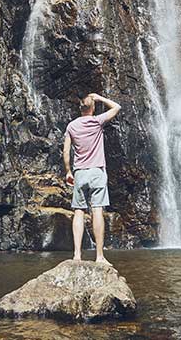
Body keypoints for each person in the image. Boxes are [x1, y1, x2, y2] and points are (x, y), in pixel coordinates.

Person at [63, 92, 121, 265]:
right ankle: (100, 256)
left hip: (80, 172)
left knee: (79, 211)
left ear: (80, 109)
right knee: (97, 210)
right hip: (97, 171)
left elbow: (66, 152)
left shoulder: (71, 126)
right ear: (93, 108)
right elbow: (117, 107)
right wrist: (100, 98)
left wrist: (68, 171)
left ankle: (77, 255)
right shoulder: (97, 121)